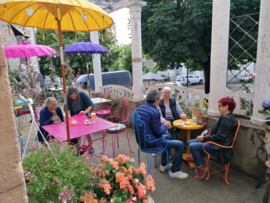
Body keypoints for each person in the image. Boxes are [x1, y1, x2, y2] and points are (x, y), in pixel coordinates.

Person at [136, 89, 188, 179]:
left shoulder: (140, 108)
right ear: (156, 100)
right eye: (158, 99)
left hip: (141, 141)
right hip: (151, 143)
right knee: (180, 144)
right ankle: (175, 171)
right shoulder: (154, 112)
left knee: (168, 136)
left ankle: (164, 164)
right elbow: (159, 132)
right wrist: (166, 125)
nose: (158, 101)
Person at [187, 97, 238, 180]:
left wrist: (204, 138)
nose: (218, 107)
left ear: (226, 107)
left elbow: (219, 136)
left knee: (192, 146)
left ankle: (200, 169)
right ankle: (196, 158)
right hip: (216, 142)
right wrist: (207, 131)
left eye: (220, 106)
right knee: (189, 142)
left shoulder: (227, 120)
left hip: (219, 147)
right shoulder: (225, 116)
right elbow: (217, 130)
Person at [67, 86, 94, 152]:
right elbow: (67, 108)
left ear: (78, 93)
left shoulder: (82, 94)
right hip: (74, 117)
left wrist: (85, 111)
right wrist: (69, 115)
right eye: (72, 96)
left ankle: (91, 147)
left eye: (75, 96)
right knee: (77, 133)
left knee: (88, 131)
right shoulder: (67, 96)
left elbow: (91, 105)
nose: (73, 98)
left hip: (83, 115)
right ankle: (79, 147)